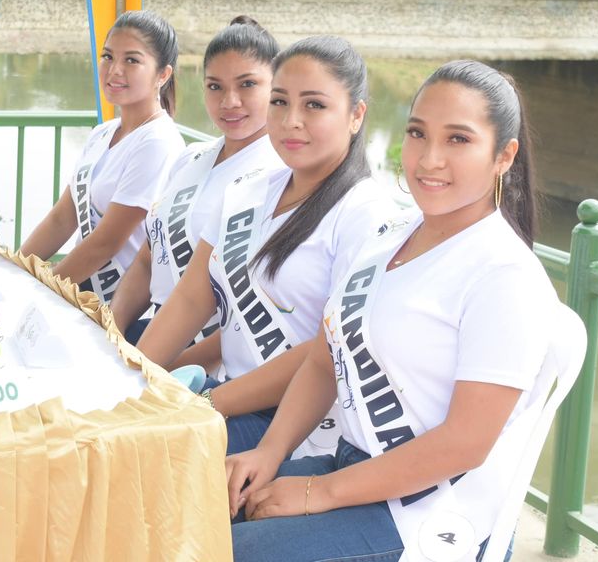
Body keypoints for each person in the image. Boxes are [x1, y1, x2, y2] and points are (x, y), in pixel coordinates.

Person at [226, 60, 557, 562]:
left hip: (432, 518)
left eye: (458, 139)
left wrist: (319, 492)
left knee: (227, 551)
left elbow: (464, 443)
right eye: (418, 133)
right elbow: (324, 360)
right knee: (189, 507)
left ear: (504, 156)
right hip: (354, 470)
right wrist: (269, 452)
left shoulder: (505, 274)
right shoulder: (389, 235)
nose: (429, 159)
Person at [136, 36, 395, 456]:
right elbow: (190, 299)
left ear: (355, 115)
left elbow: (325, 352)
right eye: (279, 102)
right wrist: (130, 377)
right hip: (227, 401)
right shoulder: (246, 192)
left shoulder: (367, 215)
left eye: (314, 105)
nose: (291, 120)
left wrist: (205, 405)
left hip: (300, 434)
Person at [109, 15, 283, 348]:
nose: (229, 101)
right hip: (153, 336)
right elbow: (149, 258)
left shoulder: (280, 177)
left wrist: (156, 361)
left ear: (277, 86)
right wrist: (111, 331)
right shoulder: (191, 159)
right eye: (215, 86)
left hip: (208, 359)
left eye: (247, 84)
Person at [19, 10, 185, 304]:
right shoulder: (102, 133)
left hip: (119, 309)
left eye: (131, 60)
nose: (115, 70)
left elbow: (105, 243)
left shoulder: (158, 142)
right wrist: (13, 269)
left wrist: (40, 292)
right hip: (80, 293)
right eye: (108, 56)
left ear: (163, 74)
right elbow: (62, 218)